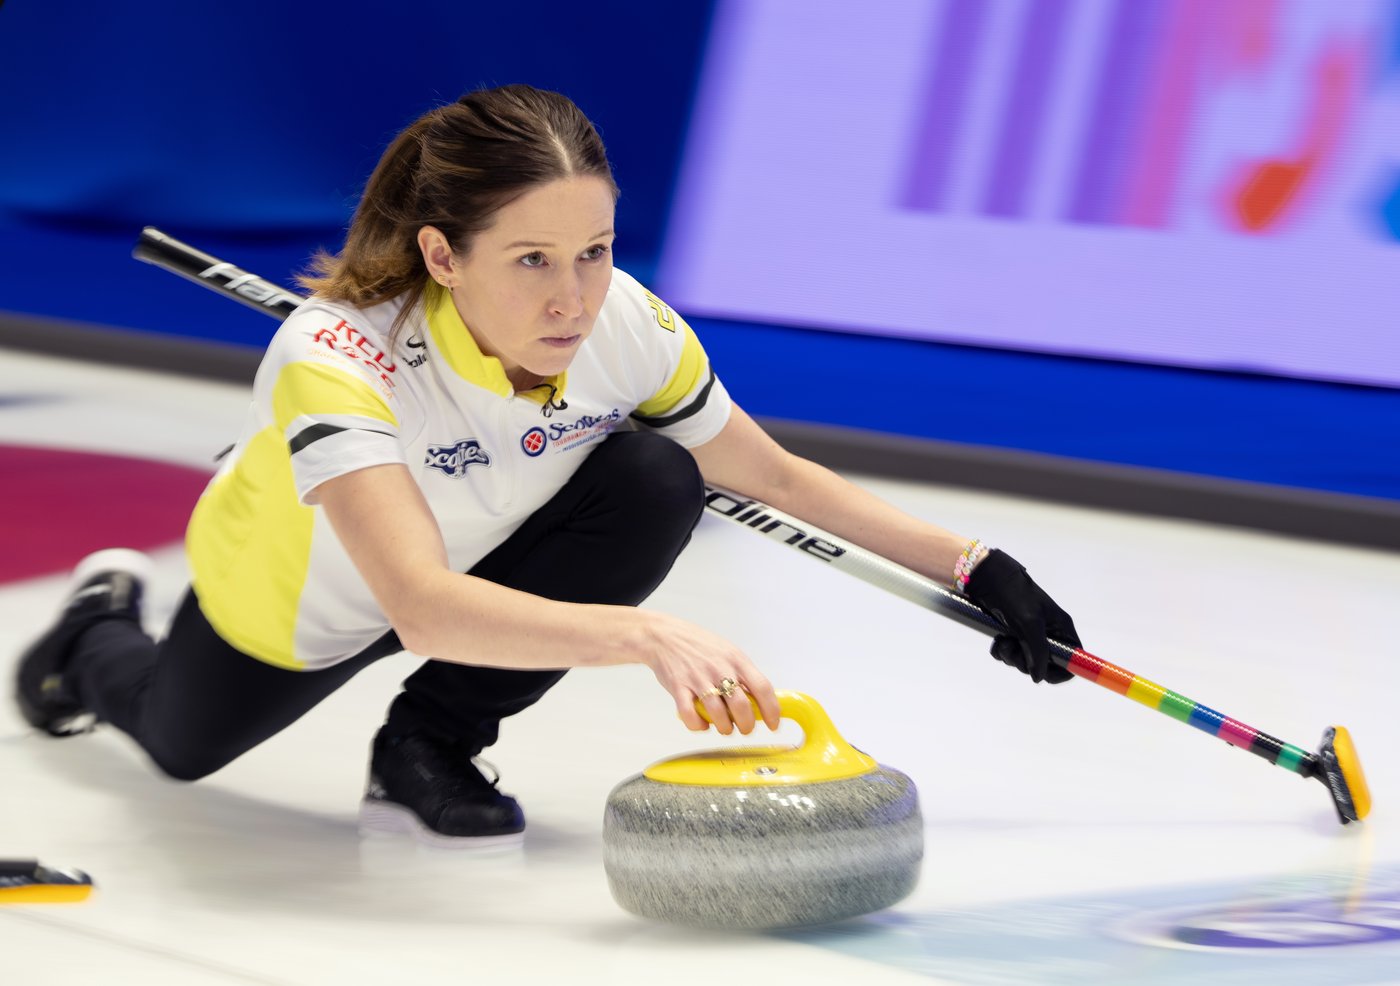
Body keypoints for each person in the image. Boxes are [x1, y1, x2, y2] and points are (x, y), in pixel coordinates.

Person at [13, 84, 1081, 849]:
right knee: (178, 744)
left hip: (482, 560)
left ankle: (430, 741)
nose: (573, 296)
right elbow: (421, 606)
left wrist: (976, 563)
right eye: (531, 259)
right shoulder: (333, 357)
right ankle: (93, 630)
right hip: (303, 598)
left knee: (659, 473)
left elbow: (775, 476)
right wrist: (648, 632)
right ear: (442, 255)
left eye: (596, 249)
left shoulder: (628, 327)